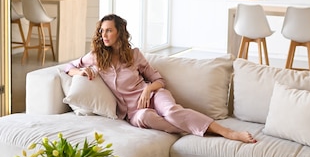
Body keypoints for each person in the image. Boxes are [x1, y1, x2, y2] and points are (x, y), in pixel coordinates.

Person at [65, 14, 256, 144]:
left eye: (108, 31)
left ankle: (228, 133)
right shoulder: (96, 57)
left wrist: (148, 89)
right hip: (134, 112)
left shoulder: (134, 55)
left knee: (172, 112)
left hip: (155, 96)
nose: (103, 35)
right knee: (145, 117)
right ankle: (192, 128)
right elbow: (68, 67)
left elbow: (158, 80)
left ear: (119, 33)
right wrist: (80, 73)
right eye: (102, 31)